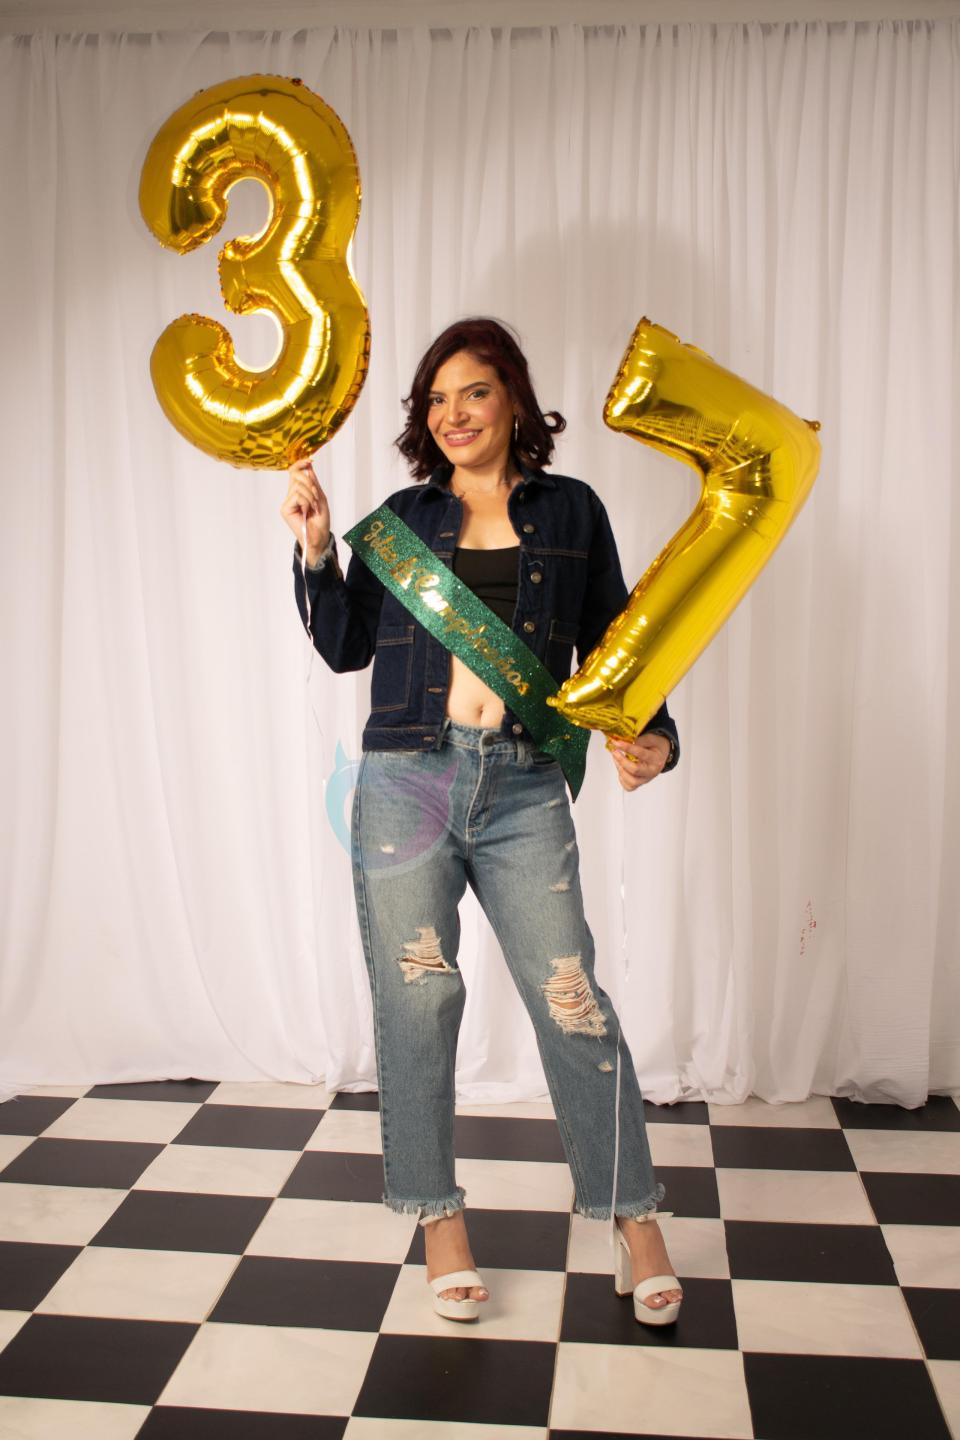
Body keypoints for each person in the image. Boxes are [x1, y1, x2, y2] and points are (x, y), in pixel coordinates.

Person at [281, 317, 683, 1326]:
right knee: (420, 1002)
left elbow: (616, 640)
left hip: (523, 786)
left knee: (570, 997)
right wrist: (316, 548)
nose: (453, 414)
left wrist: (657, 735)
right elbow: (344, 648)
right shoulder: (400, 521)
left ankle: (634, 1219)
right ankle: (439, 1221)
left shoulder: (572, 510)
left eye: (474, 392)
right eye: (436, 398)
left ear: (513, 401)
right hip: (405, 784)